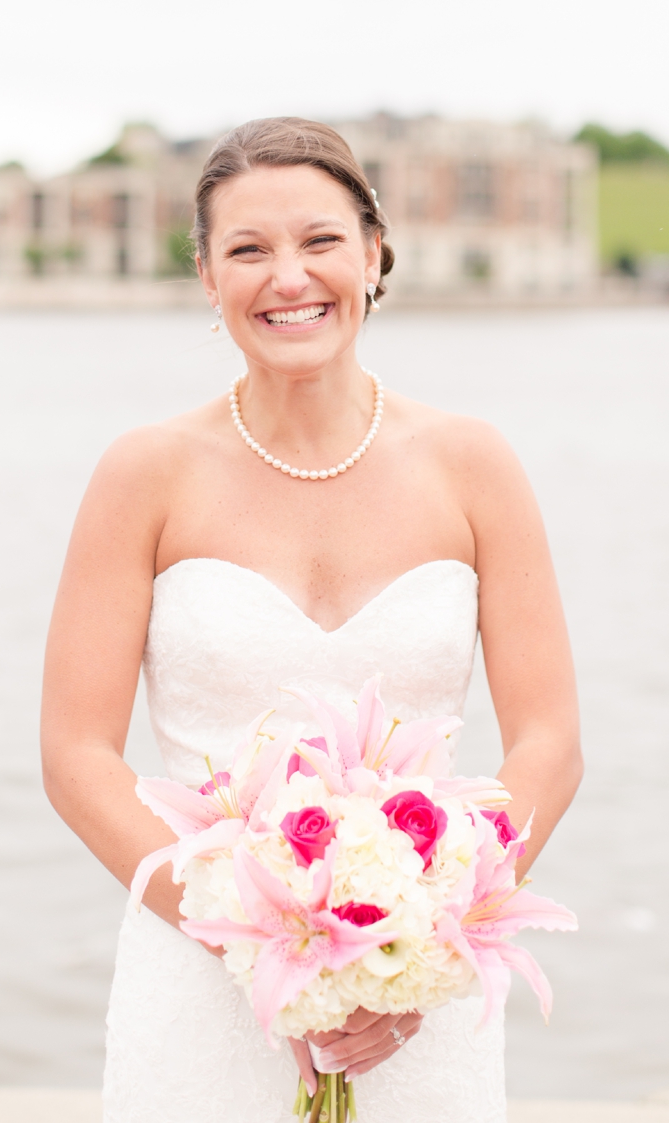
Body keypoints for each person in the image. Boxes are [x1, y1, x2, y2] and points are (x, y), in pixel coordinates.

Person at [39, 117, 582, 1122]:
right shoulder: (143, 475)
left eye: (320, 241)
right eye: (248, 250)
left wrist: (415, 948)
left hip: (417, 1006)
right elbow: (76, 754)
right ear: (207, 276)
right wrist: (249, 940)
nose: (289, 277)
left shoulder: (475, 466)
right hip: (199, 981)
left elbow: (550, 739)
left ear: (375, 252)